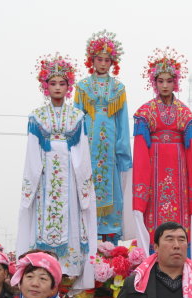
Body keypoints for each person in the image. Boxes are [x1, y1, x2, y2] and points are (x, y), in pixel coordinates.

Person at [16, 53, 98, 290]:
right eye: (53, 83)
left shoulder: (77, 116)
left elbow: (82, 152)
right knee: (44, 218)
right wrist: (31, 184)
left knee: (72, 218)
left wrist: (84, 186)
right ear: (45, 86)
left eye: (62, 83)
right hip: (45, 176)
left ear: (69, 86)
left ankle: (69, 276)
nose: (58, 88)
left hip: (70, 177)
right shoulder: (37, 116)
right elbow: (32, 153)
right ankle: (43, 270)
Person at [132, 48, 192, 274]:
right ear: (153, 82)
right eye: (160, 80)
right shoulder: (145, 112)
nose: (164, 85)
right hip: (153, 176)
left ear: (175, 83)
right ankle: (151, 268)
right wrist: (141, 188)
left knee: (180, 222)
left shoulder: (185, 113)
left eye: (169, 80)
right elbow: (140, 150)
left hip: (179, 176)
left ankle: (183, 268)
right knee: (153, 222)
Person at [75, 30, 132, 244]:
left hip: (110, 149)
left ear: (112, 62)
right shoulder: (82, 87)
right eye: (99, 59)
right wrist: (77, 149)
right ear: (92, 60)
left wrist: (122, 149)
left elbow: (123, 121)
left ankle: (110, 239)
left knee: (112, 189)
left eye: (107, 60)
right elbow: (77, 118)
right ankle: (87, 234)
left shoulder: (118, 88)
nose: (103, 63)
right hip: (88, 146)